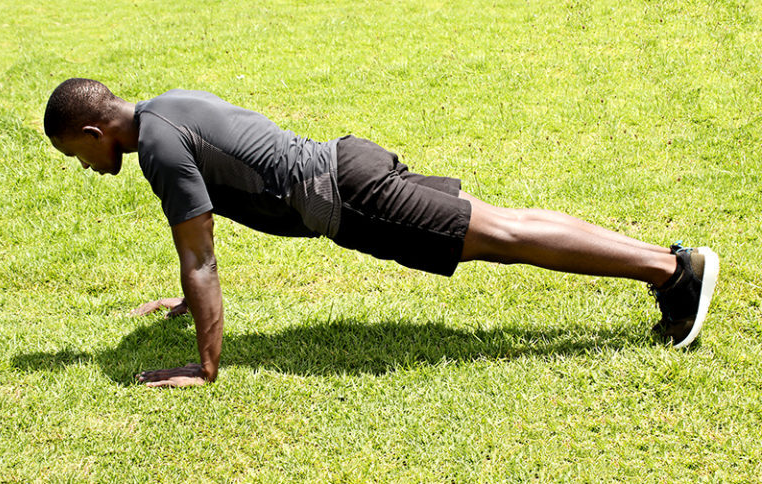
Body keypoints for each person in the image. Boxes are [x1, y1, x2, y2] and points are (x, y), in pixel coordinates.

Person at [43, 78, 719, 388]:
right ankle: (668, 263)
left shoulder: (158, 150)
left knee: (505, 237)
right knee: (505, 225)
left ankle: (672, 272)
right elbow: (203, 237)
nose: (87, 167)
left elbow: (201, 259)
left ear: (95, 132)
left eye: (78, 154)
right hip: (349, 162)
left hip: (349, 196)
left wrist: (205, 365)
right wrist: (184, 304)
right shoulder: (165, 107)